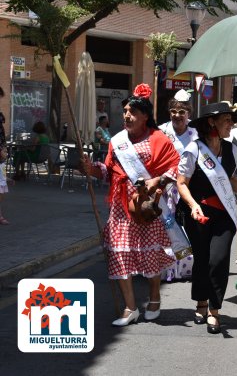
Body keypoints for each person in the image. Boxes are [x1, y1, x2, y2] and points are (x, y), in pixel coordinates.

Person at [81, 83, 179, 326]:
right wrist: (91, 169)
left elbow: (176, 168)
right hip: (121, 206)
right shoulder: (117, 141)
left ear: (145, 115)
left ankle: (154, 297)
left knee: (151, 255)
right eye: (125, 111)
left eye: (133, 112)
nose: (127, 115)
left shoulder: (159, 139)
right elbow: (108, 172)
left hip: (147, 206)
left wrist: (156, 181)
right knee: (120, 254)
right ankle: (130, 307)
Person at [176, 102, 237, 334]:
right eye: (226, 120)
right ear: (211, 122)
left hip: (224, 215)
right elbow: (181, 183)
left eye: (231, 120)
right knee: (202, 260)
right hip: (198, 214)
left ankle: (214, 311)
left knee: (218, 260)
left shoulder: (232, 151)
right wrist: (193, 205)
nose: (231, 124)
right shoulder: (193, 150)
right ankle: (201, 302)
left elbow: (231, 181)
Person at [158, 89, 199, 281]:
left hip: (189, 187)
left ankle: (186, 266)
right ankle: (168, 268)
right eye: (174, 111)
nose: (177, 115)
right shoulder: (161, 131)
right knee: (167, 228)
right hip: (166, 188)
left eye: (181, 112)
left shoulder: (196, 133)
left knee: (189, 227)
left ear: (188, 113)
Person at [0, 146, 15, 225]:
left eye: (6, 151)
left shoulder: (2, 164)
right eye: (4, 151)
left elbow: (3, 175)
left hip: (2, 185)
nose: (7, 153)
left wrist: (10, 180)